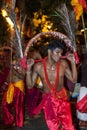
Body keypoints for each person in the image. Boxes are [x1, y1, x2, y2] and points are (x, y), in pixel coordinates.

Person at [26, 40, 77, 130]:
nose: (60, 55)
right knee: (53, 127)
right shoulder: (39, 66)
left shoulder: (63, 64)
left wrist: (73, 63)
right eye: (57, 52)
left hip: (62, 98)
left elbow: (74, 79)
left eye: (61, 53)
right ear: (49, 51)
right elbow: (30, 86)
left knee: (68, 126)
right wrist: (28, 69)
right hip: (48, 99)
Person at [2, 59, 25, 127]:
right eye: (13, 64)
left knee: (18, 107)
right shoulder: (12, 66)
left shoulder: (22, 66)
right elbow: (9, 77)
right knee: (4, 104)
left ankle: (19, 123)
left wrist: (13, 70)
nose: (14, 65)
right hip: (11, 87)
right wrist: (5, 84)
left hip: (19, 88)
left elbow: (22, 77)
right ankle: (10, 119)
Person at [76, 50, 87, 127]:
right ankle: (82, 121)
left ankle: (83, 121)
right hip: (83, 85)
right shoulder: (83, 62)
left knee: (82, 104)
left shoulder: (83, 62)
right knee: (82, 105)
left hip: (83, 85)